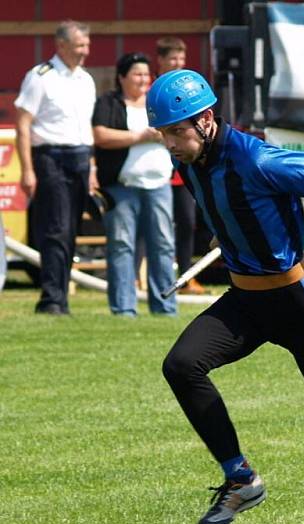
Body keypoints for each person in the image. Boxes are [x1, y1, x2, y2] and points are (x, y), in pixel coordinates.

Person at [147, 70, 304, 524]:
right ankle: (240, 479)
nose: (171, 144)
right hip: (245, 301)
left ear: (205, 120)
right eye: (163, 133)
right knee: (181, 365)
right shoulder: (189, 160)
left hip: (296, 301)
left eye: (177, 132)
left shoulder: (258, 160)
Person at [14, 20, 96, 315]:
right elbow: (23, 125)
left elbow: (86, 129)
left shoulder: (86, 79)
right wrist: (27, 170)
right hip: (51, 158)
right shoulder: (40, 77)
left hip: (80, 158)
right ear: (61, 45)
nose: (85, 51)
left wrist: (92, 166)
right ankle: (51, 299)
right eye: (79, 45)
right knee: (56, 229)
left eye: (86, 45)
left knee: (71, 229)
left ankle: (60, 298)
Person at [92, 52, 176, 316]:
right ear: (122, 78)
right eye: (136, 74)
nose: (142, 79)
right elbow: (100, 135)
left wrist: (162, 137)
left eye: (145, 74)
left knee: (163, 246)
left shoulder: (159, 101)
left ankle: (165, 307)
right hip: (121, 185)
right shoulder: (109, 102)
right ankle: (123, 308)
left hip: (160, 184)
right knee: (121, 246)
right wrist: (139, 137)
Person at [154, 36, 205, 295]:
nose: (178, 64)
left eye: (181, 59)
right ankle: (142, 277)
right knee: (153, 228)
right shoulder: (153, 93)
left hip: (183, 168)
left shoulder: (188, 93)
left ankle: (186, 277)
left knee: (187, 222)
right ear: (160, 61)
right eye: (173, 59)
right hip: (155, 171)